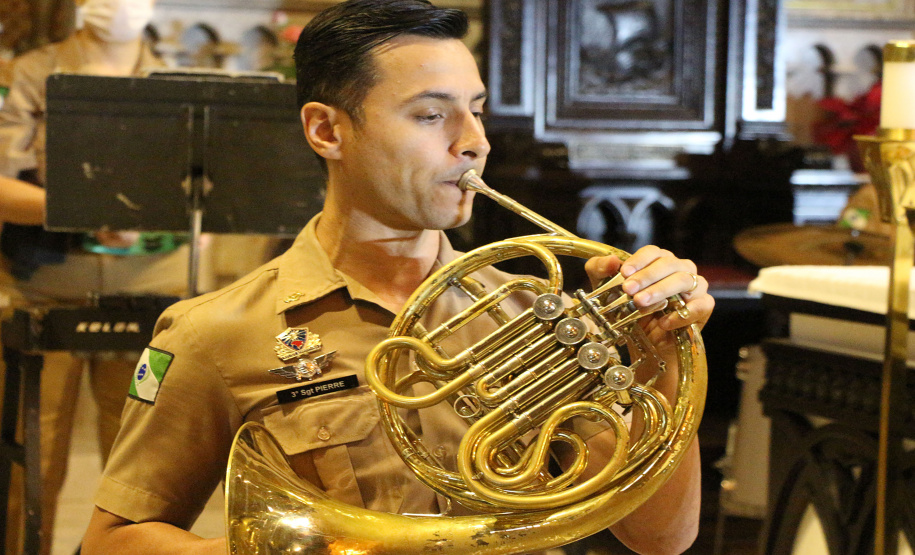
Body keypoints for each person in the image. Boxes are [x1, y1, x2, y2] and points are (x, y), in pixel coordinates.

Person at [81, 1, 714, 554]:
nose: (474, 143)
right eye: (431, 116)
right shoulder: (213, 333)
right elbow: (111, 541)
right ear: (327, 131)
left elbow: (662, 538)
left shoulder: (536, 313)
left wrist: (667, 354)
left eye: (476, 110)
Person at [0, 0, 206, 553]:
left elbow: (208, 191)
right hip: (47, 285)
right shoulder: (28, 72)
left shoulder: (181, 82)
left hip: (155, 290)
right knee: (32, 453)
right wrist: (83, 210)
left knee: (145, 466)